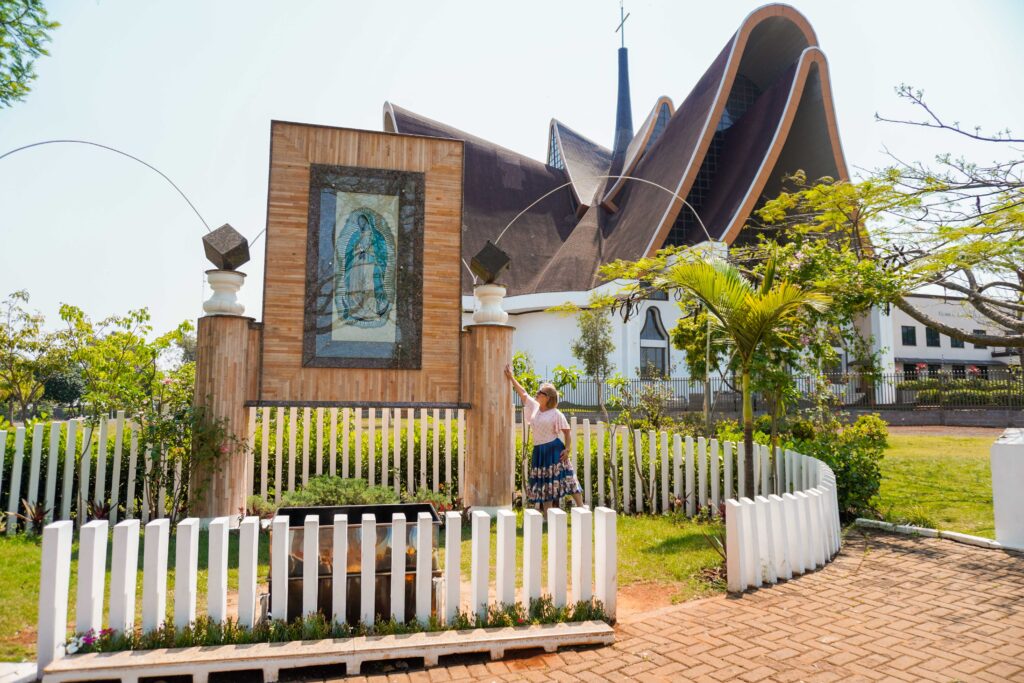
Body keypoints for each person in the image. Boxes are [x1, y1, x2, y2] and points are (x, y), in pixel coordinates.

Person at [505, 364, 585, 513]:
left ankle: (582, 508)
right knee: (545, 484)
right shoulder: (535, 406)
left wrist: (567, 449)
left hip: (554, 450)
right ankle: (548, 517)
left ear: (547, 397)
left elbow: (567, 433)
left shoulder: (556, 414)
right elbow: (523, 393)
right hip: (539, 450)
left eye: (540, 392)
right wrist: (511, 377)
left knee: (567, 478)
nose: (536, 393)